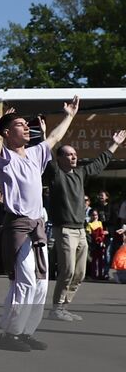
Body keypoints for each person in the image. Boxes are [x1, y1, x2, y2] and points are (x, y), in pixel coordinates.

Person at [0, 84, 79, 352]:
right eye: (20, 124)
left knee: (41, 283)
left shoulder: (35, 154)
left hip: (38, 226)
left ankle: (26, 331)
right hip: (18, 225)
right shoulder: (4, 155)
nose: (26, 127)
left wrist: (70, 116)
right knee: (25, 279)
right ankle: (9, 334)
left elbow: (53, 138)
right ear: (8, 133)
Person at [44, 130, 123, 321]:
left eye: (75, 155)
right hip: (64, 229)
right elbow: (45, 153)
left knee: (79, 273)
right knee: (68, 270)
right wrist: (45, 135)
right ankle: (56, 308)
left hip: (80, 230)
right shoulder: (55, 174)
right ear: (60, 158)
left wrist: (114, 144)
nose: (74, 157)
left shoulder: (80, 173)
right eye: (69, 154)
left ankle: (64, 307)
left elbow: (98, 163)